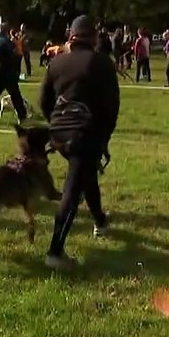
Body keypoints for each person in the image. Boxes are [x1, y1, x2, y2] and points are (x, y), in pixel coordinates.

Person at [40, 16, 119, 271]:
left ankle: (100, 221)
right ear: (93, 37)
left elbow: (44, 101)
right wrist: (103, 139)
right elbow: (111, 108)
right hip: (85, 133)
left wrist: (57, 126)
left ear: (71, 36)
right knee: (73, 190)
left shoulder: (56, 62)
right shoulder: (102, 63)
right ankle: (54, 252)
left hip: (59, 133)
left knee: (85, 173)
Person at [0, 23, 28, 124]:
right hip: (7, 72)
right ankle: (22, 115)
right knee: (15, 95)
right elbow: (13, 55)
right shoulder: (7, 42)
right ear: (7, 31)